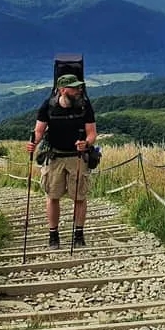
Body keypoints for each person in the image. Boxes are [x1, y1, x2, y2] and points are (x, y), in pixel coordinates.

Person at [26, 74, 98, 249]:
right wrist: (33, 143)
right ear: (63, 90)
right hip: (55, 156)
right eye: (74, 88)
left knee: (79, 196)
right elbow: (39, 130)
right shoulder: (48, 106)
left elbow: (92, 133)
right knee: (52, 196)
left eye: (79, 87)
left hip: (77, 157)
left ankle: (78, 234)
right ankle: (53, 235)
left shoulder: (84, 105)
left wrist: (86, 143)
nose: (79, 90)